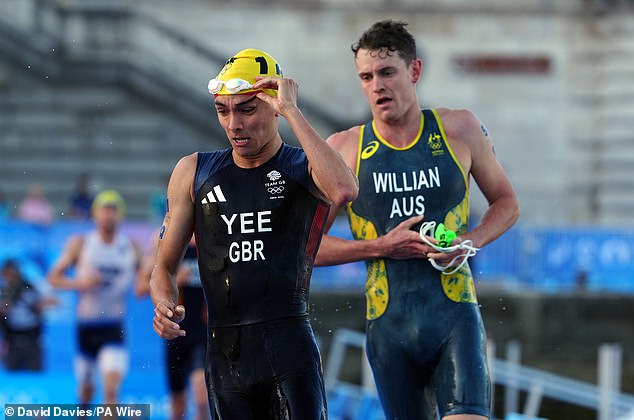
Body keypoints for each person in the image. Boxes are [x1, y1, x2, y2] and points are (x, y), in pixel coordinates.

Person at [315, 20, 520, 420]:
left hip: (454, 317)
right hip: (389, 330)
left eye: (387, 72)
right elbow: (305, 246)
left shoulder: (458, 129)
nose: (377, 86)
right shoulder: (343, 149)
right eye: (366, 76)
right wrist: (379, 247)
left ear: (415, 71)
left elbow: (507, 202)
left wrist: (470, 241)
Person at [149, 48, 358, 420]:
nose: (234, 124)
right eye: (223, 110)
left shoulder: (301, 166)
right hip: (225, 359)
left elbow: (344, 188)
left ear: (273, 106)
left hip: (290, 351)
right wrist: (163, 304)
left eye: (247, 109)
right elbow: (163, 267)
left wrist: (292, 109)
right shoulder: (193, 172)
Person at [48, 189, 142, 406]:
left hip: (113, 327)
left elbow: (149, 279)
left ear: (121, 215)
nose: (109, 215)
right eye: (104, 210)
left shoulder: (131, 247)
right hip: (86, 327)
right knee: (85, 396)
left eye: (113, 210)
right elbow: (53, 278)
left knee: (110, 393)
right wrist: (80, 283)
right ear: (95, 214)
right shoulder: (80, 244)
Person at [136, 234, 209, 420]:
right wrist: (173, 282)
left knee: (201, 399)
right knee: (178, 405)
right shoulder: (163, 240)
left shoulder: (212, 235)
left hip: (203, 332)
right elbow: (141, 287)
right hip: (174, 333)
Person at [0, 259, 57, 371]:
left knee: (35, 376)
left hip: (33, 339)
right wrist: (8, 300)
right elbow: (3, 311)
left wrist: (38, 305)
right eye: (5, 274)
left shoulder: (31, 287)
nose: (9, 277)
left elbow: (53, 301)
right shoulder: (3, 291)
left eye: (11, 273)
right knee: (12, 378)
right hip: (12, 340)